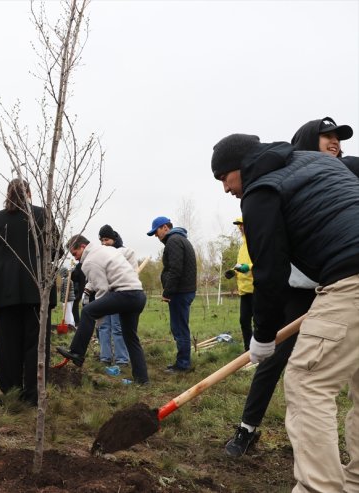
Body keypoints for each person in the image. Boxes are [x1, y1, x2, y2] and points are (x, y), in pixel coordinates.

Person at [210, 132, 359, 492]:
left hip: (350, 277)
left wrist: (262, 338)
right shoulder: (322, 164)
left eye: (223, 179)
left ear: (239, 168)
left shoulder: (262, 190)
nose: (226, 189)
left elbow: (270, 271)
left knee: (308, 381)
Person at [0, 178, 57, 406]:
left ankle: (11, 392)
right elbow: (55, 249)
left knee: (8, 344)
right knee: (36, 344)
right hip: (37, 290)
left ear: (8, 194)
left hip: (6, 292)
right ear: (29, 193)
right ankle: (34, 395)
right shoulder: (43, 215)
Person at [57, 235, 149, 385]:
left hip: (124, 294)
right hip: (138, 294)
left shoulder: (89, 262)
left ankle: (77, 353)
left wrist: (98, 320)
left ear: (82, 247)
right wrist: (132, 274)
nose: (76, 258)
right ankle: (142, 380)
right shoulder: (107, 250)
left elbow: (102, 290)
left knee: (87, 311)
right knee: (131, 338)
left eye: (75, 254)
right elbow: (129, 253)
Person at [147, 216, 197, 373]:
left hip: (180, 292)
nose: (156, 235)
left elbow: (175, 269)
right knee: (180, 327)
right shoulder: (179, 239)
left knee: (179, 328)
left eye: (156, 231)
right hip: (183, 291)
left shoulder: (174, 241)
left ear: (164, 228)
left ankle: (182, 365)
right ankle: (182, 362)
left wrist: (167, 292)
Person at [96, 224, 133, 366]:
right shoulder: (101, 254)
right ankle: (105, 357)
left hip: (119, 294)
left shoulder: (125, 252)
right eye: (101, 240)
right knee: (104, 326)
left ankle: (122, 359)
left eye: (106, 240)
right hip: (104, 295)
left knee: (117, 327)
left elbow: (132, 273)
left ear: (113, 239)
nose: (104, 243)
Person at [230, 217, 253, 351]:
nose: (240, 228)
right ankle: (247, 351)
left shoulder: (256, 241)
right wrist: (234, 271)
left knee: (259, 323)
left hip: (257, 289)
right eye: (239, 226)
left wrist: (248, 268)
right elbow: (240, 265)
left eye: (242, 225)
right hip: (244, 290)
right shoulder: (243, 245)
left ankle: (260, 352)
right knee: (244, 321)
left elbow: (263, 263)